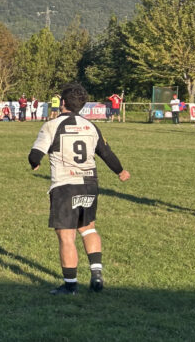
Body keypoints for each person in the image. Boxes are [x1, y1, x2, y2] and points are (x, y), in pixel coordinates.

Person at [29, 83, 130, 295]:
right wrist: (120, 171)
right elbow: (106, 153)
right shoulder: (91, 126)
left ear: (62, 103)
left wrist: (35, 162)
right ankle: (96, 272)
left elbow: (35, 154)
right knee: (88, 227)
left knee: (66, 236)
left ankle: (70, 285)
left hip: (66, 186)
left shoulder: (51, 125)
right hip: (90, 184)